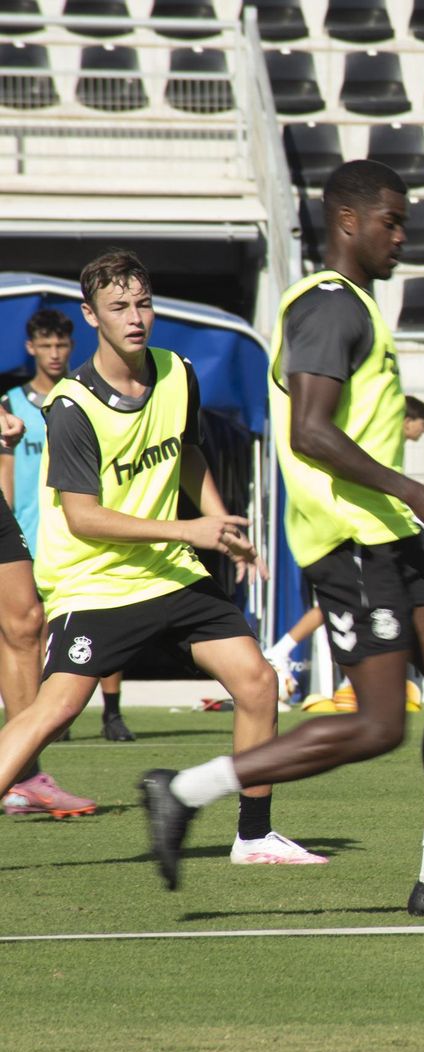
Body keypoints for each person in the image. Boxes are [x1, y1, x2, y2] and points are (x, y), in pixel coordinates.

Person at [142, 162, 424, 915]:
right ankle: (185, 791)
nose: (402, 238)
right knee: (379, 723)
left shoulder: (353, 309)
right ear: (348, 222)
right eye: (392, 222)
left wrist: (409, 505)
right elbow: (310, 433)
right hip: (349, 541)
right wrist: (415, 489)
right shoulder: (327, 306)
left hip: (387, 531)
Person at [0, 250, 318, 865]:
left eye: (143, 302)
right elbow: (82, 516)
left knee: (257, 681)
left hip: (171, 572)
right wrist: (188, 528)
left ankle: (253, 836)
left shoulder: (178, 371)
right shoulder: (70, 406)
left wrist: (219, 523)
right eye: (118, 307)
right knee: (57, 710)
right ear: (92, 316)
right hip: (95, 584)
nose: (135, 316)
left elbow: (188, 451)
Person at [1, 309, 132, 746]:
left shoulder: (84, 394)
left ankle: (111, 713)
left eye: (61, 345)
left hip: (78, 528)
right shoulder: (13, 404)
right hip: (31, 532)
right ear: (31, 348)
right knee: (29, 628)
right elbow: (6, 471)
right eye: (47, 345)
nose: (55, 354)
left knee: (106, 612)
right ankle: (39, 722)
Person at [263, 393, 424, 703]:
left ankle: (342, 678)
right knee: (350, 605)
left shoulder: (385, 445)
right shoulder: (374, 442)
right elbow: (373, 491)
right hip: (350, 532)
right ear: (408, 421)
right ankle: (284, 654)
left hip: (358, 532)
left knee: (351, 605)